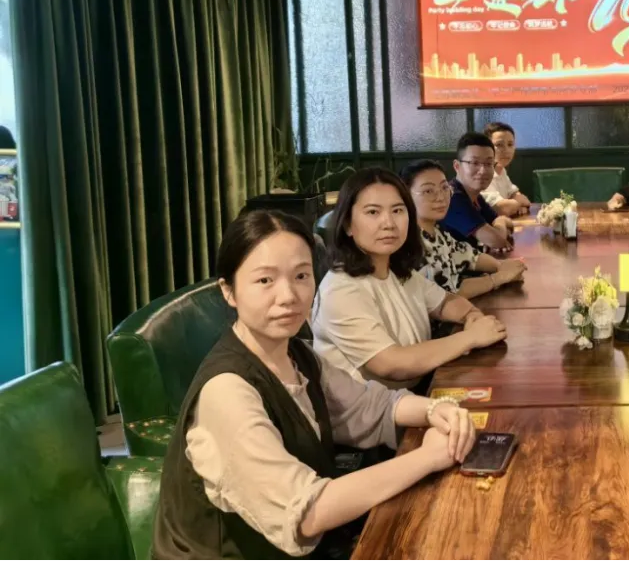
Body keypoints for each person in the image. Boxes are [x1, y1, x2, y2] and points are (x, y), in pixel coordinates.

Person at [152, 209, 477, 560]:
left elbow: (367, 406)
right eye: (265, 280)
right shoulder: (226, 392)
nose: (288, 295)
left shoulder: (297, 354)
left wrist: (435, 409)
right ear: (229, 291)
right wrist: (427, 457)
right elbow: (306, 512)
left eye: (301, 276)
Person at [311, 168, 508, 391]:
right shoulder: (341, 290)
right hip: (375, 410)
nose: (388, 223)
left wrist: (471, 316)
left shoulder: (398, 271)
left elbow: (445, 302)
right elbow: (392, 364)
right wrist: (470, 338)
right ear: (348, 224)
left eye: (397, 210)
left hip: (414, 394)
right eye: (373, 212)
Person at [402, 159, 527, 298]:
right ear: (406, 196)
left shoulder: (436, 232)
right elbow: (447, 292)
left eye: (444, 188)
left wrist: (501, 266)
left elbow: (469, 256)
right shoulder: (410, 242)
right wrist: (499, 278)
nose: (441, 197)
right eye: (428, 191)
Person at [441, 132, 515, 252]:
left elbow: (507, 223)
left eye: (488, 163)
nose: (483, 170)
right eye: (474, 163)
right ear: (457, 166)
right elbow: (496, 241)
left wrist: (500, 223)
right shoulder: (453, 197)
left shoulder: (475, 196)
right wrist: (501, 223)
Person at [481, 122, 531, 217]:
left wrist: (514, 205)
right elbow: (502, 209)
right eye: (499, 145)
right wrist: (518, 204)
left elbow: (516, 194)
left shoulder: (501, 170)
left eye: (510, 144)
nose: (506, 150)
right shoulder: (482, 174)